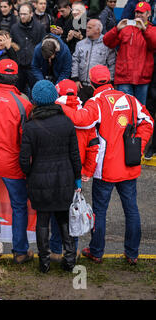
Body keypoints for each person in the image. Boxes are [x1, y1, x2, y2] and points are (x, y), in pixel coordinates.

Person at [60, 65, 154, 265]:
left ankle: (96, 252)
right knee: (132, 209)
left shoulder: (96, 102)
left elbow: (81, 120)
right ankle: (132, 254)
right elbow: (148, 121)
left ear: (91, 82)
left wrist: (59, 106)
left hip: (105, 169)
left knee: (100, 211)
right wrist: (138, 145)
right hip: (129, 166)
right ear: (109, 79)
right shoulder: (129, 99)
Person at [19, 79, 81, 273]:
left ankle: (44, 262)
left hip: (39, 178)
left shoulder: (30, 126)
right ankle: (70, 259)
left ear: (35, 100)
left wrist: (30, 174)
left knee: (42, 220)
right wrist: (77, 178)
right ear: (54, 99)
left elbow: (23, 160)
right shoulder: (66, 122)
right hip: (65, 178)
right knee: (64, 219)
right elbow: (74, 155)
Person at [0, 59, 34, 264]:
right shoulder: (24, 103)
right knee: (19, 207)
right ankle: (20, 251)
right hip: (13, 164)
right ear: (16, 78)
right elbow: (26, 139)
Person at [49, 78, 100, 262]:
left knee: (57, 212)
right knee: (74, 212)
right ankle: (73, 252)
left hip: (56, 170)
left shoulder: (53, 111)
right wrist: (87, 170)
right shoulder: (85, 114)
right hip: (75, 173)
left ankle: (55, 250)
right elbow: (94, 145)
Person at [103, 1, 156, 105]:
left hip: (142, 78)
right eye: (137, 12)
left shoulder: (152, 29)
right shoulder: (126, 28)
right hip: (124, 78)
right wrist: (116, 29)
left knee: (140, 111)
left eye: (141, 13)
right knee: (124, 110)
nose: (138, 15)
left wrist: (144, 30)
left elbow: (154, 43)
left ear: (148, 14)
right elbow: (107, 42)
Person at [71, 19, 116, 103]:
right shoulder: (80, 44)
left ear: (98, 30)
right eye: (87, 27)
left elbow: (112, 63)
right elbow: (75, 61)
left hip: (99, 87)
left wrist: (110, 82)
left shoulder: (106, 44)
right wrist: (75, 79)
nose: (86, 29)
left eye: (90, 27)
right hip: (82, 86)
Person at [10, 2, 45, 95]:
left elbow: (43, 46)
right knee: (17, 94)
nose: (22, 16)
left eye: (25, 14)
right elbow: (11, 46)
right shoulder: (14, 28)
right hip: (19, 67)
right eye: (20, 14)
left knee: (36, 94)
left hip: (34, 67)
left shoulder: (40, 27)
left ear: (31, 14)